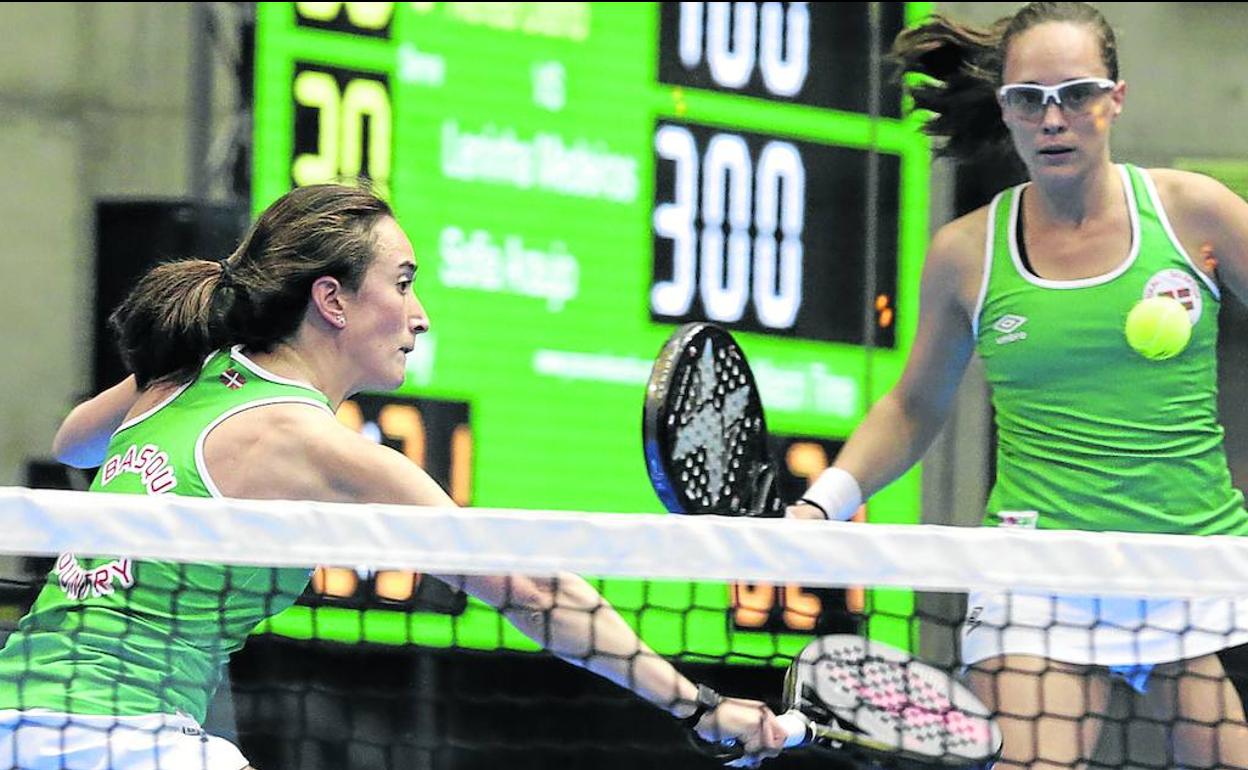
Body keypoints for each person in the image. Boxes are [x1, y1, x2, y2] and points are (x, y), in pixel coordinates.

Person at [0, 183, 786, 769]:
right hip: (121, 740)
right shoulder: (317, 446)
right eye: (403, 282)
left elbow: (76, 445)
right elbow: (532, 589)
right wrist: (699, 705)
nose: (421, 314)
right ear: (332, 301)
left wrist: (164, 379)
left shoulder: (183, 376)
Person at [788, 2, 1248, 768]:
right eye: (1030, 98)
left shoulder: (1195, 211)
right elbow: (913, 405)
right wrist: (821, 502)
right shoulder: (966, 252)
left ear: (1115, 99)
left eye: (1075, 93)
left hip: (1193, 563)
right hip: (1040, 579)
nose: (1053, 118)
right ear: (1005, 108)